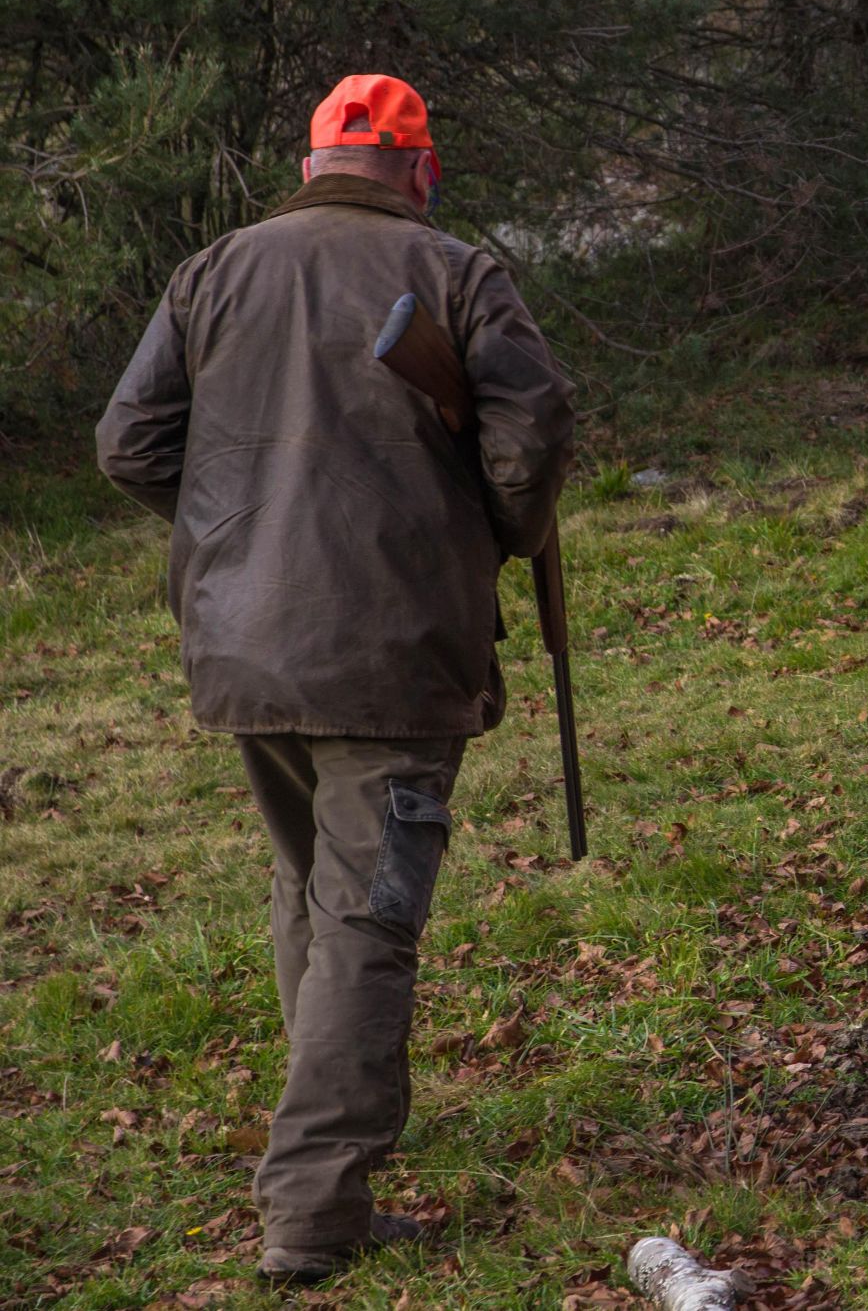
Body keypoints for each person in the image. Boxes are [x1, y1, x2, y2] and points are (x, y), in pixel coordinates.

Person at [96, 74, 575, 1284]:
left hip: (243, 646)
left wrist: (229, 535)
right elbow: (535, 431)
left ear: (314, 164)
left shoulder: (212, 269)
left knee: (310, 884)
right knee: (368, 920)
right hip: (392, 651)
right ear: (422, 169)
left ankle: (324, 1160)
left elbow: (128, 443)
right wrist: (496, 534)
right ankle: (313, 1212)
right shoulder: (462, 272)